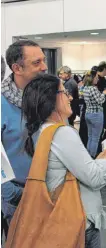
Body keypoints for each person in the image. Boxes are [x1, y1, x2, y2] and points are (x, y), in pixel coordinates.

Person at [21, 73, 106, 247]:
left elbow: (73, 170)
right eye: (64, 92)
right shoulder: (61, 133)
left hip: (58, 217)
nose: (71, 97)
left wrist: (104, 156)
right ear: (50, 99)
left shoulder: (40, 130)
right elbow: (95, 179)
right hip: (78, 220)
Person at [1, 40, 47, 223]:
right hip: (19, 197)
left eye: (44, 60)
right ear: (17, 68)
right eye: (37, 63)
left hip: (52, 192)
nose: (44, 67)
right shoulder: (2, 104)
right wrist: (12, 194)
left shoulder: (49, 99)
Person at [83, 69, 106, 158]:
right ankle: (92, 156)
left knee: (90, 136)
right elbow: (100, 101)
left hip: (88, 114)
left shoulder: (85, 88)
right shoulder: (93, 89)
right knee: (95, 138)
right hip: (96, 115)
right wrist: (104, 93)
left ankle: (88, 156)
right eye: (96, 77)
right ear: (92, 78)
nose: (98, 79)